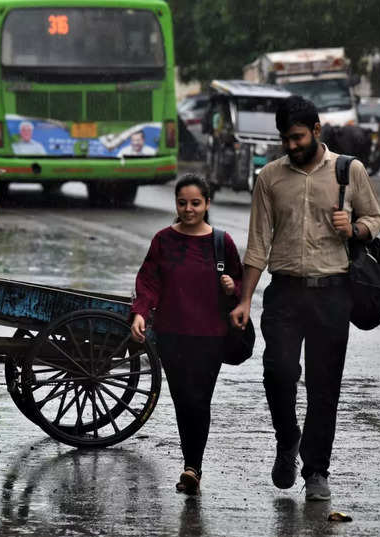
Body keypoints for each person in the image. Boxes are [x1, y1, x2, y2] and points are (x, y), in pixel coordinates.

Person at [230, 96, 380, 501]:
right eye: (285, 139)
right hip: (283, 293)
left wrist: (354, 228)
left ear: (317, 130)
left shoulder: (348, 171)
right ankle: (288, 439)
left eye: (298, 137)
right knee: (278, 372)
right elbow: (257, 244)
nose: (291, 145)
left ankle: (316, 470)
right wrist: (245, 300)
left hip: (332, 293)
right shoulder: (269, 177)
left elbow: (375, 218)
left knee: (323, 386)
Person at [130, 173, 242, 495]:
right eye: (183, 203)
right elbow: (149, 281)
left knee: (200, 400)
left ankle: (193, 466)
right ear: (175, 204)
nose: (189, 209)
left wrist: (233, 286)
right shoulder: (163, 240)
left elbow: (240, 283)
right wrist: (140, 311)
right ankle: (191, 463)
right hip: (172, 333)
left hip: (211, 335)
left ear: (207, 203)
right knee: (183, 400)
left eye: (196, 203)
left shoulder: (222, 242)